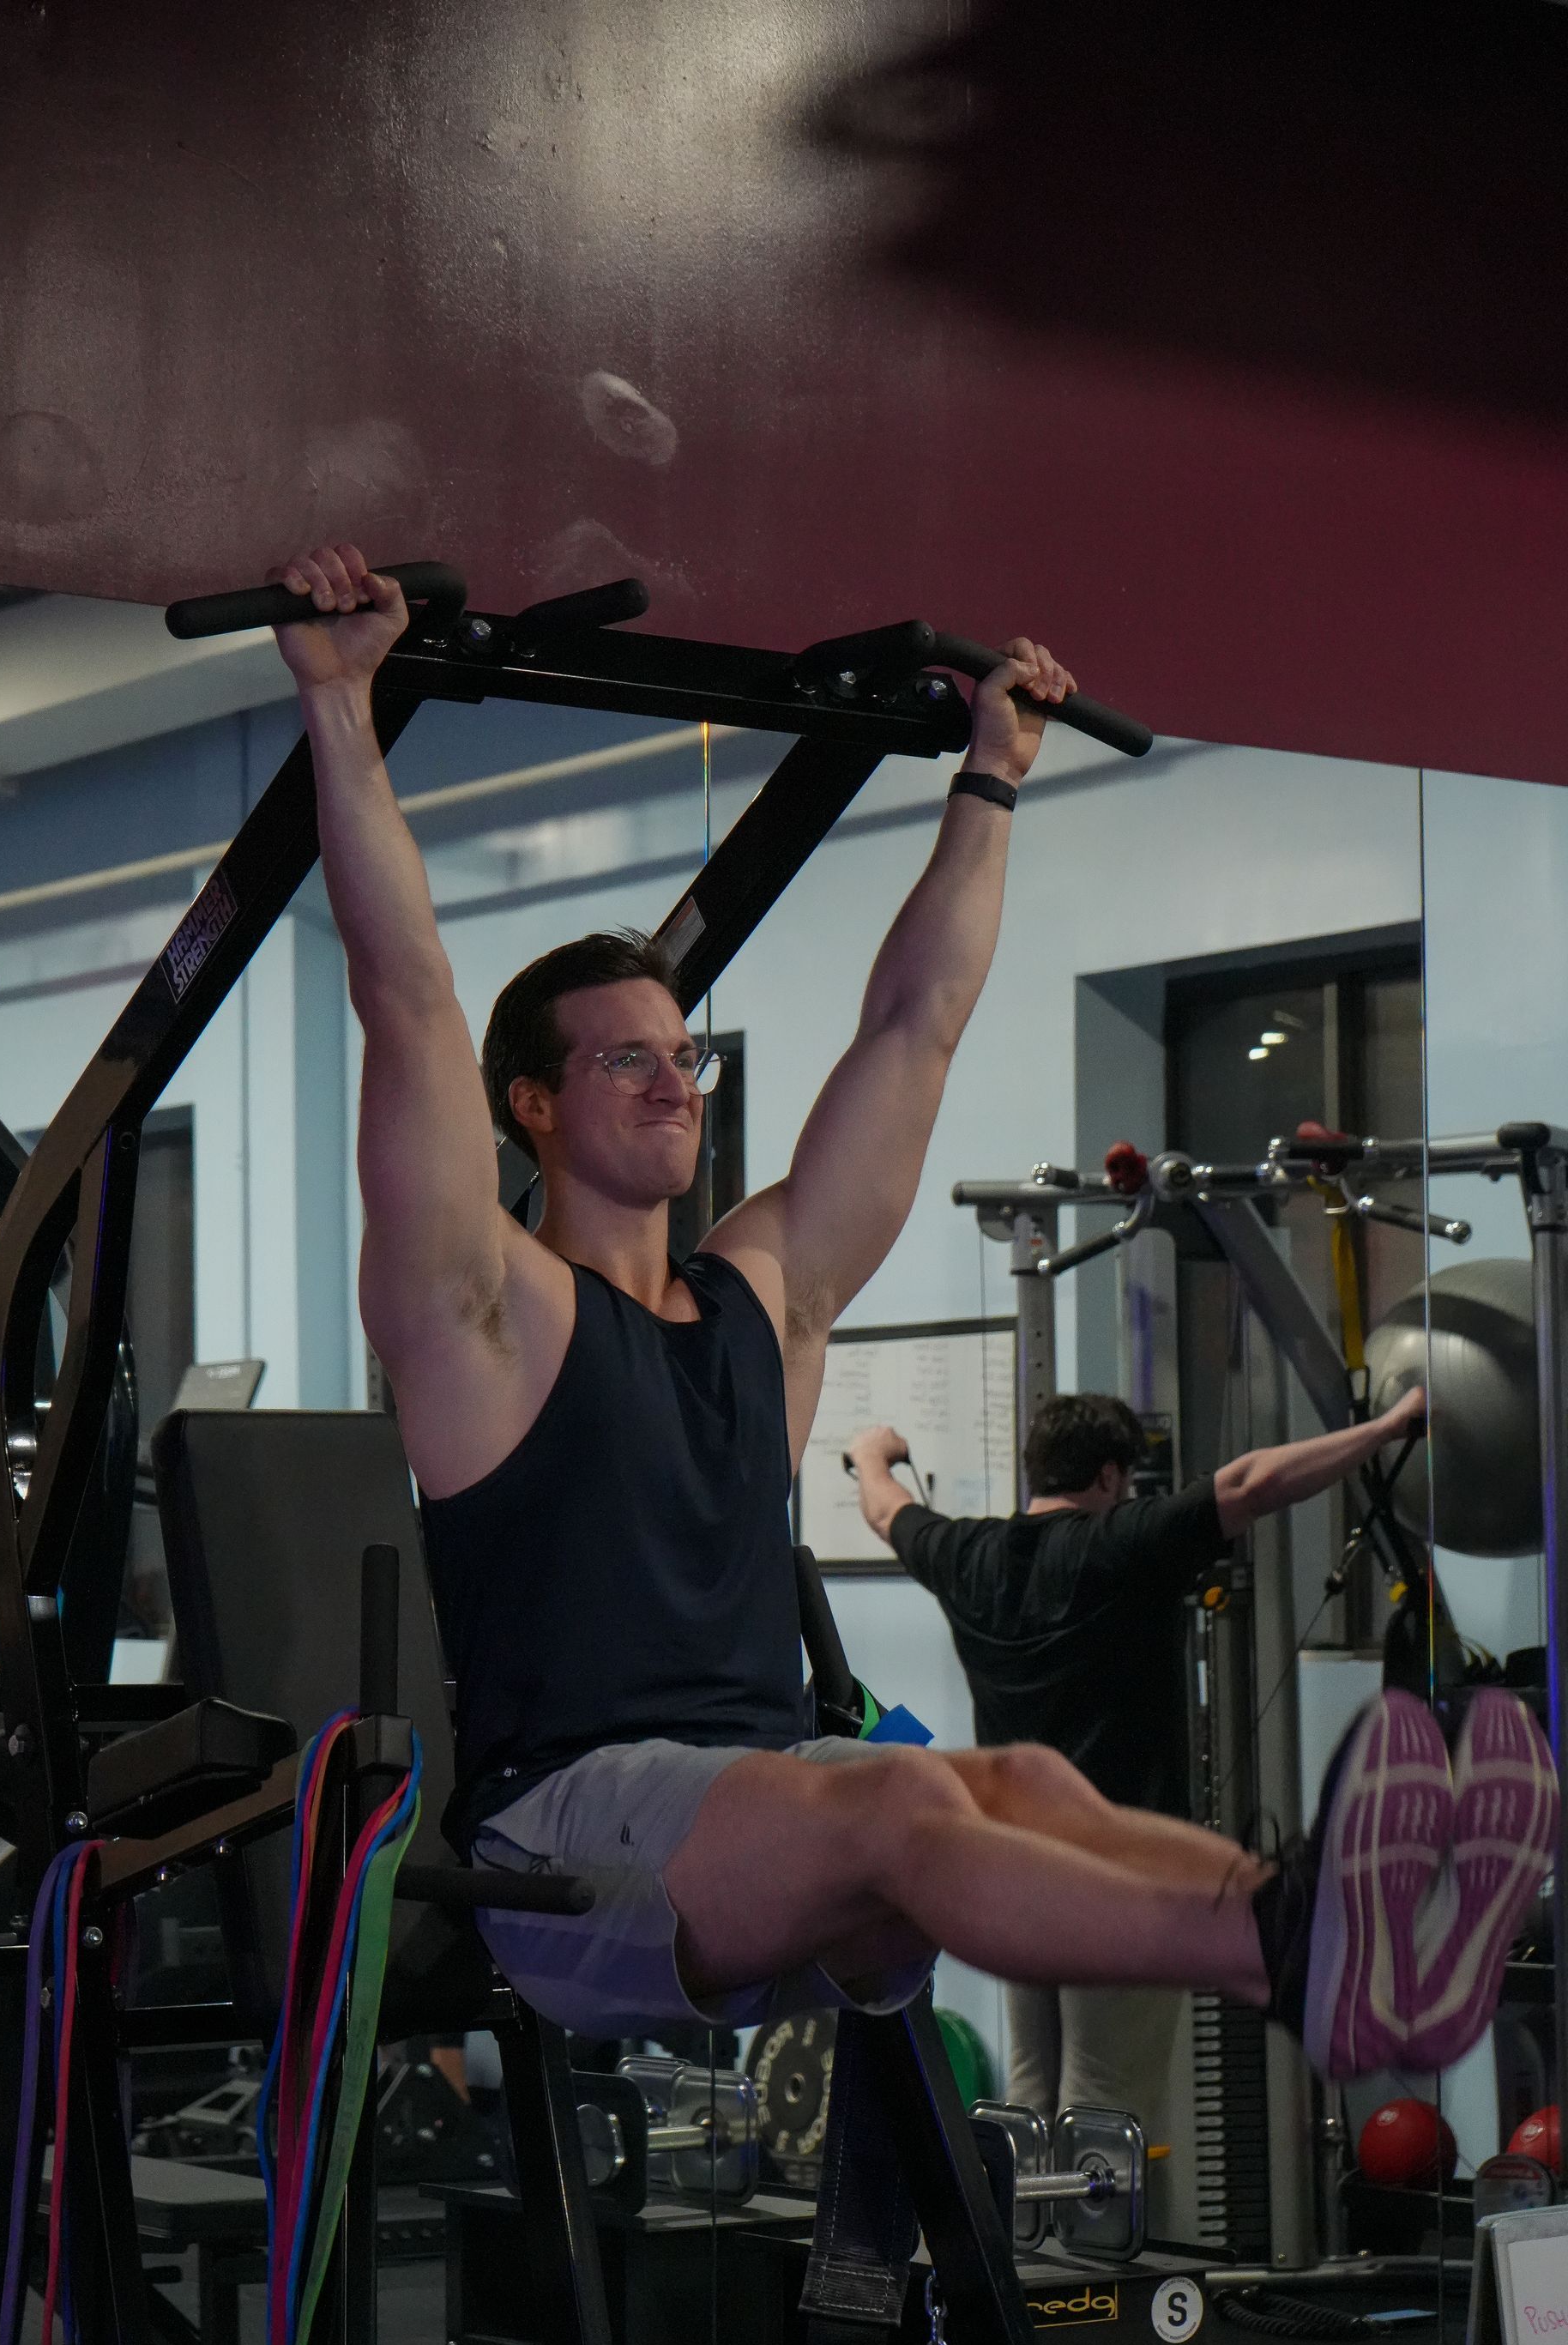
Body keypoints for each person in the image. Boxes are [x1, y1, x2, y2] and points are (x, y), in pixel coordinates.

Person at [265, 541, 1555, 2088]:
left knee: (1013, 1781)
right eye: (624, 1060)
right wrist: (339, 705)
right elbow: (406, 998)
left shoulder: (762, 1296)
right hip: (567, 1841)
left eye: (686, 1054)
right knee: (903, 1797)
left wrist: (992, 776)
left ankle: (1332, 1944)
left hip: (764, 1804)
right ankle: (1303, 1952)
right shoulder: (480, 1309)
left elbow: (916, 1025)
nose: (674, 1081)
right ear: (530, 1103)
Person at [846, 1388, 1432, 2125]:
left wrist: (870, 1452)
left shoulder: (970, 1555)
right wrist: (1386, 1428)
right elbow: (1252, 1484)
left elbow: (884, 1509)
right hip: (1119, 1876)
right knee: (1104, 2108)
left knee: (1028, 2098)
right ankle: (1086, 2211)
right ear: (1109, 1476)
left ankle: (1020, 2210)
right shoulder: (1123, 1542)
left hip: (1006, 1866)